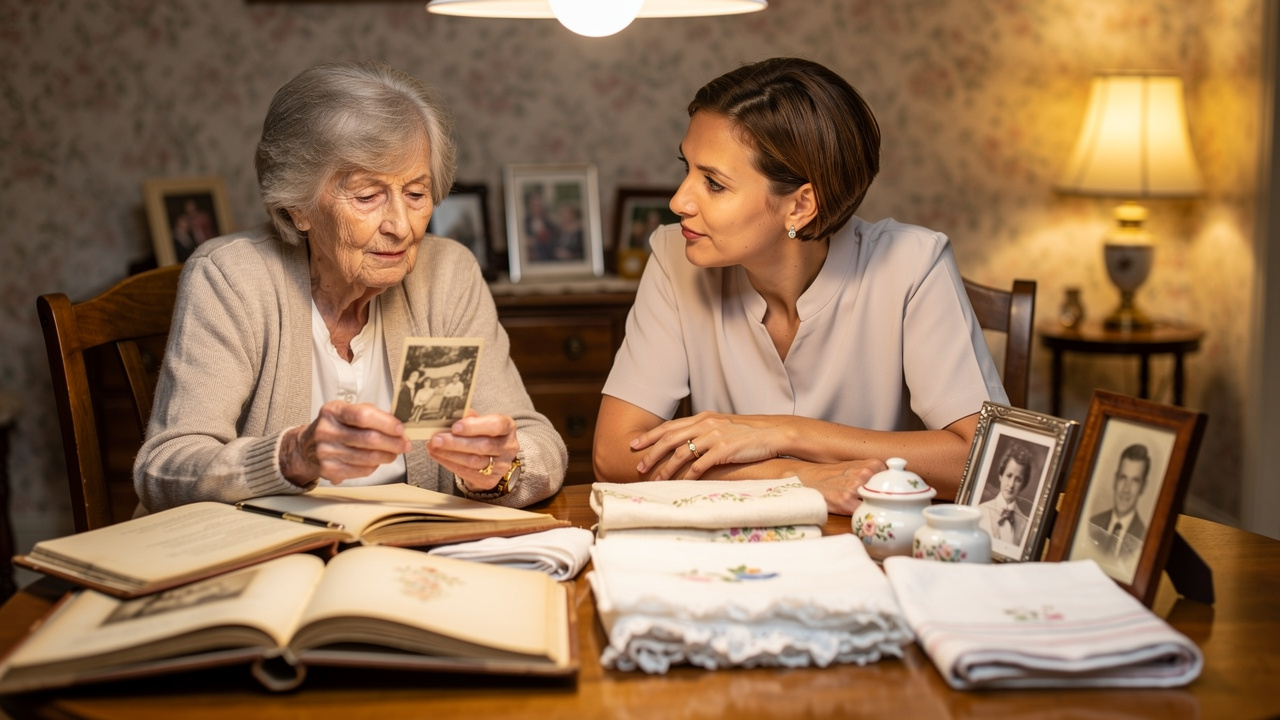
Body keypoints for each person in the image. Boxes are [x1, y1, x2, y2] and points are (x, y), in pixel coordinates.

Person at [134, 61, 567, 511]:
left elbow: (540, 445)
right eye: (367, 196)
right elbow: (165, 467)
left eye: (416, 195)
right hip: (264, 560)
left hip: (412, 558)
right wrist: (292, 456)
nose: (400, 226)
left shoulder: (447, 274)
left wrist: (498, 471)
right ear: (298, 207)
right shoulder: (234, 278)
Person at [592, 58, 1006, 514]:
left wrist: (782, 432)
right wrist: (798, 476)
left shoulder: (912, 263)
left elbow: (985, 459)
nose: (678, 200)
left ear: (800, 206)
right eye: (686, 167)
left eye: (713, 183)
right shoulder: (675, 258)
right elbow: (614, 454)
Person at [1088, 443, 1151, 560]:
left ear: (1143, 487)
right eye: (1123, 478)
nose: (1126, 489)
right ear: (1115, 480)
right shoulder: (1092, 523)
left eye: (1135, 481)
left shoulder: (1145, 538)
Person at [977, 443, 1033, 546]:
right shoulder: (981, 511)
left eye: (1018, 479)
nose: (1011, 485)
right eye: (1009, 475)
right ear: (1001, 476)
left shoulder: (1025, 524)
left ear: (1023, 484)